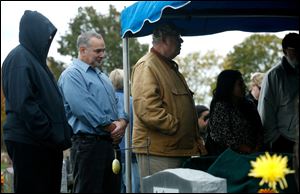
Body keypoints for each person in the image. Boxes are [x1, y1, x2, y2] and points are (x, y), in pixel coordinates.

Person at [1, 10, 72, 193]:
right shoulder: (19, 59)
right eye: (45, 34)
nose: (47, 39)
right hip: (31, 143)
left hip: (44, 144)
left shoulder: (36, 61)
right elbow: (24, 105)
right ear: (33, 33)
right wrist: (49, 131)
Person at [131, 23, 207, 191]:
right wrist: (175, 126)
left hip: (173, 150)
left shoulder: (167, 66)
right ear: (164, 39)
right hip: (160, 152)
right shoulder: (147, 65)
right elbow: (147, 109)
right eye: (177, 37)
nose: (181, 41)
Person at [58, 31, 128, 193]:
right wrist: (114, 128)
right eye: (98, 51)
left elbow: (117, 103)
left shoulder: (102, 77)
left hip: (109, 144)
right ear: (82, 50)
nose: (102, 55)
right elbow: (84, 109)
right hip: (88, 146)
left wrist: (122, 122)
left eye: (103, 50)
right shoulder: (72, 75)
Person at [205, 69, 264, 156]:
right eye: (240, 84)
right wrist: (247, 150)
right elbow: (222, 137)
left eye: (243, 83)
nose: (244, 87)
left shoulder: (249, 105)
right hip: (228, 158)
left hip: (253, 154)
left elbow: (259, 130)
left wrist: (256, 148)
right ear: (228, 86)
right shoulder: (220, 107)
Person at [258, 33, 299, 153]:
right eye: (294, 49)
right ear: (285, 51)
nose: (298, 52)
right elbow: (266, 113)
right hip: (286, 141)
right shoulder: (273, 76)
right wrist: (277, 140)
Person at [109, 68, 140, 193]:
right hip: (132, 151)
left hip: (114, 152)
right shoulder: (134, 102)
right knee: (133, 187)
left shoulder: (109, 101)